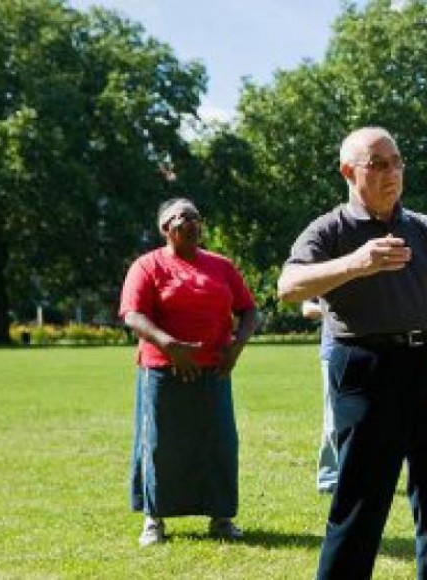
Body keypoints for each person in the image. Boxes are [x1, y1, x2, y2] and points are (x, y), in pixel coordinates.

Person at [277, 127, 427, 579]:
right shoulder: (331, 230)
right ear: (349, 172)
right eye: (378, 164)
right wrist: (355, 263)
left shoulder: (425, 230)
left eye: (397, 161)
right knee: (360, 508)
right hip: (366, 371)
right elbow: (288, 287)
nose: (392, 173)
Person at [120, 198, 259, 547]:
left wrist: (237, 346)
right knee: (161, 446)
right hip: (164, 370)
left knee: (220, 442)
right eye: (182, 217)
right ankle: (154, 519)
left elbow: (249, 310)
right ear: (165, 227)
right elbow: (133, 316)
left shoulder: (221, 266)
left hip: (215, 368)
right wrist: (170, 346)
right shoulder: (147, 265)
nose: (192, 223)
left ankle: (222, 517)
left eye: (196, 217)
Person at [302, 298, 340, 494]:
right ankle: (329, 479)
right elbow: (306, 308)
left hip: (372, 349)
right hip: (333, 351)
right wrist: (331, 308)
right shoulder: (324, 267)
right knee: (333, 420)